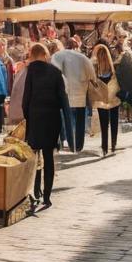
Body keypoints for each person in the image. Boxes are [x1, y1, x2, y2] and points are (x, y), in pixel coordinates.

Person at [21, 42, 70, 207]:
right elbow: (63, 98)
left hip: (35, 118)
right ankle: (47, 195)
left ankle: (35, 191)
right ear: (45, 55)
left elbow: (25, 99)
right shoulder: (55, 72)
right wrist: (67, 124)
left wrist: (28, 118)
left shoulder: (30, 72)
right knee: (49, 157)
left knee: (35, 157)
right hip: (52, 118)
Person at [51, 42, 97, 152]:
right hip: (81, 92)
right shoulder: (82, 58)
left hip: (67, 94)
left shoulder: (57, 57)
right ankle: (79, 145)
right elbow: (92, 75)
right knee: (80, 120)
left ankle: (72, 145)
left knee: (68, 121)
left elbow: (55, 73)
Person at [91, 43, 121, 156]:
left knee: (104, 125)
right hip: (114, 99)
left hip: (101, 100)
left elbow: (93, 86)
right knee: (114, 122)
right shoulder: (115, 69)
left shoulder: (95, 71)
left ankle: (104, 148)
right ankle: (113, 145)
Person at [113, 41, 132, 123]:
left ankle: (129, 116)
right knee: (127, 99)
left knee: (127, 99)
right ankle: (128, 116)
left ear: (117, 49)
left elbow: (122, 71)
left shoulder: (124, 56)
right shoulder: (124, 56)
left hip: (125, 82)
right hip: (127, 82)